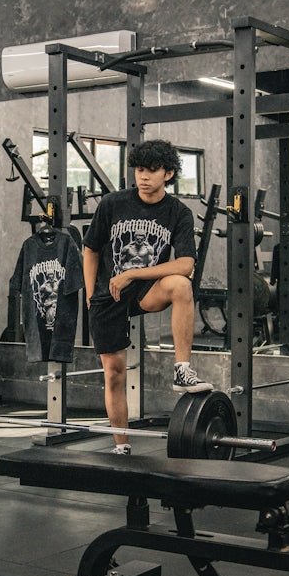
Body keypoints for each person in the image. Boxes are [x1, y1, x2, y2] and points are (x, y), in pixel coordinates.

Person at [83, 139, 210, 455]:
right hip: (108, 294)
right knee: (114, 374)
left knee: (181, 285)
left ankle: (182, 369)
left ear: (168, 173)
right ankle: (122, 446)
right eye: (139, 169)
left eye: (152, 170)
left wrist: (133, 274)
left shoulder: (178, 212)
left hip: (144, 291)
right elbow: (91, 249)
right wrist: (90, 294)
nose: (143, 176)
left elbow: (186, 264)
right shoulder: (112, 204)